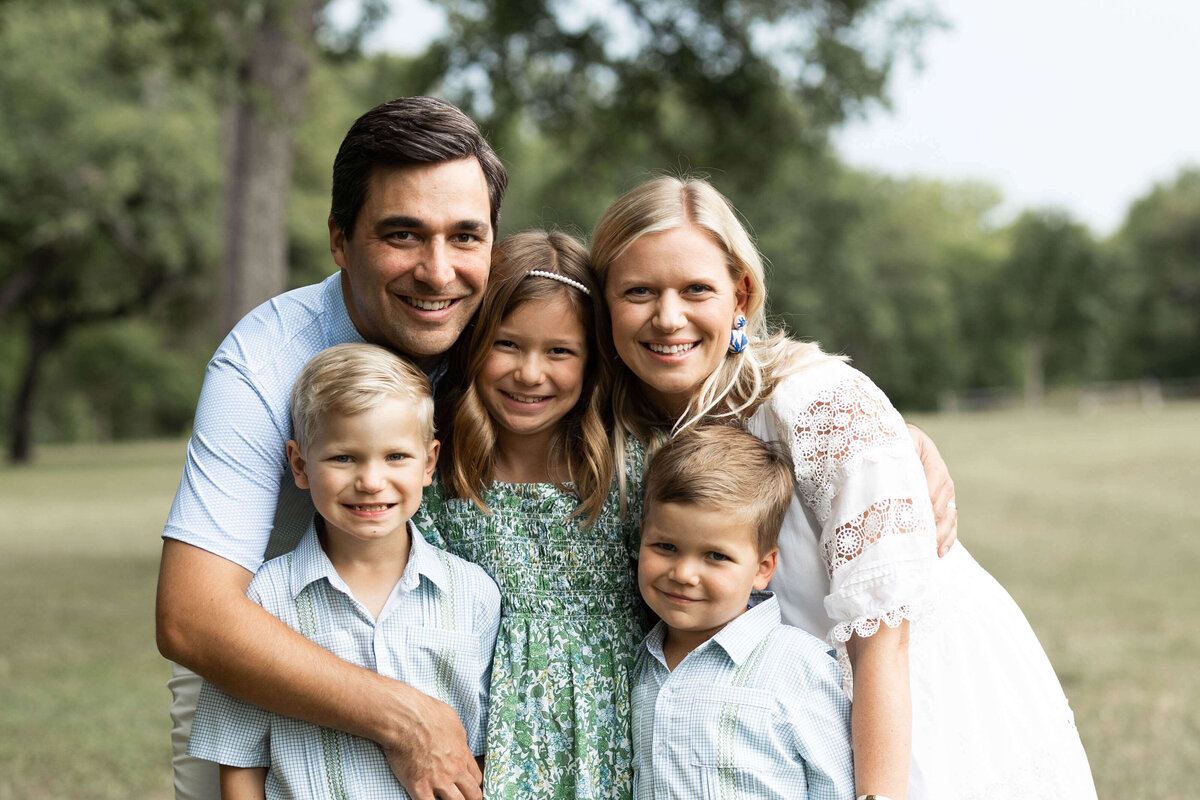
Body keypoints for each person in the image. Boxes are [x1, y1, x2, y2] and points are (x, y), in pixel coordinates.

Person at [591, 175, 1098, 799]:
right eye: (638, 291)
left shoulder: (817, 404)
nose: (669, 318)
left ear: (740, 295)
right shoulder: (630, 430)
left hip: (917, 713)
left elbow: (885, 643)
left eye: (697, 289)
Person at [156, 96, 507, 800]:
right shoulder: (263, 360)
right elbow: (193, 616)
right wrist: (405, 720)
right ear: (340, 240)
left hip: (451, 652)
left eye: (466, 236)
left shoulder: (518, 342)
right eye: (403, 234)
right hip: (273, 666)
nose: (439, 273)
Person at [187, 343, 501, 799]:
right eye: (343, 458)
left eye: (396, 457)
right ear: (300, 465)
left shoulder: (473, 595)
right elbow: (239, 757)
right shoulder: (262, 600)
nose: (371, 481)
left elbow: (484, 750)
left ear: (429, 463)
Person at [413, 231, 645, 800]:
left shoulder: (633, 466)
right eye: (508, 344)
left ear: (592, 360)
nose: (530, 373)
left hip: (623, 735)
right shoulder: (433, 475)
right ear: (473, 343)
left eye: (559, 351)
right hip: (484, 744)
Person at [633, 424, 854, 800]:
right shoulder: (641, 662)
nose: (684, 574)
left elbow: (834, 788)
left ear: (763, 569)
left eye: (716, 556)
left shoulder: (801, 667)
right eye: (666, 546)